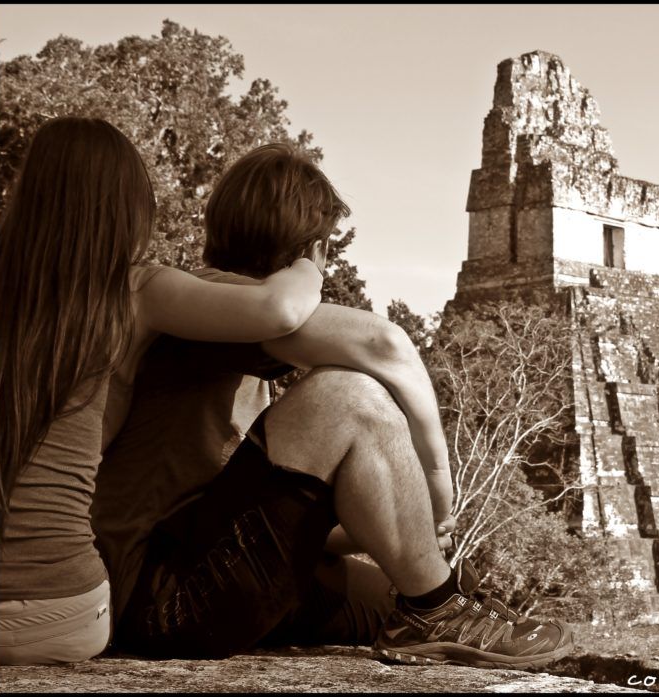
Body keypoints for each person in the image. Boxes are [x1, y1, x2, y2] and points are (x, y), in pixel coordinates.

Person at [92, 143, 575, 670]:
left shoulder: (233, 334)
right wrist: (439, 487)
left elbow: (278, 520)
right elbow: (385, 346)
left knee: (397, 594)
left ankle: (440, 607)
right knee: (346, 395)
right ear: (315, 250)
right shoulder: (209, 304)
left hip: (203, 569)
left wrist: (407, 531)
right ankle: (436, 609)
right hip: (159, 598)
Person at [0, 118, 326, 666]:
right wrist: (309, 263)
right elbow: (282, 309)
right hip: (65, 613)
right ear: (127, 208)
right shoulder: (133, 288)